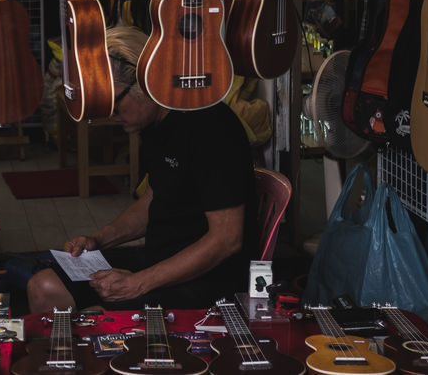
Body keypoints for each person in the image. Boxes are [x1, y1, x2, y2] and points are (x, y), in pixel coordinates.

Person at [27, 24, 256, 312]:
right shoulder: (154, 125)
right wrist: (99, 239)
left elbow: (226, 240)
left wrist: (139, 283)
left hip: (209, 279)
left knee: (101, 313)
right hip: (161, 260)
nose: (111, 116)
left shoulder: (210, 127)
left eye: (115, 104)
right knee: (45, 286)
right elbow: (153, 200)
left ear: (145, 83)